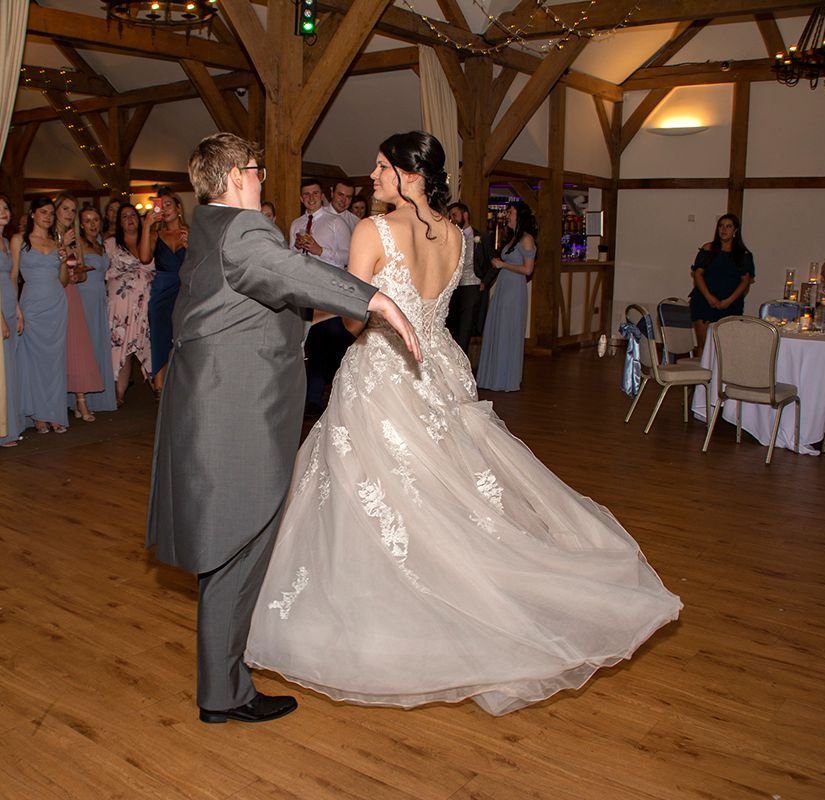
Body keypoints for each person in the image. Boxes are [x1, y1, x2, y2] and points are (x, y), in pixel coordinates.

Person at [245, 131, 682, 717]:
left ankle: (388, 607)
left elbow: (353, 323)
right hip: (439, 365)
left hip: (384, 370)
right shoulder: (455, 234)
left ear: (409, 174)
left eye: (381, 168)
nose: (372, 177)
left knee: (378, 489)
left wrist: (319, 300)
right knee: (436, 489)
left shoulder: (373, 232)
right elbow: (437, 308)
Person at [146, 132, 420, 726]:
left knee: (233, 550)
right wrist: (373, 300)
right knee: (239, 548)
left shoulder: (211, 227)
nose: (263, 179)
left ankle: (223, 687)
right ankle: (224, 692)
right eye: (257, 170)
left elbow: (256, 296)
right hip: (235, 412)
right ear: (236, 177)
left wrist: (324, 309)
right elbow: (286, 267)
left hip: (220, 403)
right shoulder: (245, 231)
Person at [291, 179, 356, 416]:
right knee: (310, 344)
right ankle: (314, 397)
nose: (310, 198)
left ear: (322, 196)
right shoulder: (296, 224)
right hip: (306, 292)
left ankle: (328, 396)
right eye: (306, 194)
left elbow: (348, 258)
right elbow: (292, 257)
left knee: (331, 341)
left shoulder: (336, 223)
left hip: (330, 292)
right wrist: (298, 250)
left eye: (315, 193)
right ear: (301, 198)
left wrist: (320, 250)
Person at [14, 197, 69, 434]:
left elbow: (64, 281)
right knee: (34, 361)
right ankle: (38, 414)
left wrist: (65, 261)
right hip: (32, 304)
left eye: (50, 213)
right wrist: (15, 308)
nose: (47, 217)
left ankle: (55, 413)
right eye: (43, 212)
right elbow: (12, 276)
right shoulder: (19, 241)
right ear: (33, 213)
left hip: (56, 303)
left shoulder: (56, 243)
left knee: (54, 362)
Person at [476, 202, 536, 391]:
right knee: (497, 328)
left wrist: (503, 265)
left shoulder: (527, 239)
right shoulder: (512, 239)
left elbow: (528, 269)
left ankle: (505, 378)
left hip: (514, 290)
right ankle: (493, 376)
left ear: (519, 216)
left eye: (511, 212)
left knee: (507, 329)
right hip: (504, 286)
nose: (507, 215)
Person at [55, 194, 103, 422]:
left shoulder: (75, 240)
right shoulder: (49, 237)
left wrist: (80, 273)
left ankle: (80, 401)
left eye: (73, 210)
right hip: (53, 295)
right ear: (56, 210)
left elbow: (79, 275)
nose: (69, 214)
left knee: (78, 347)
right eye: (65, 209)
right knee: (58, 349)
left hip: (72, 294)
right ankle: (57, 402)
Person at [689, 213, 755, 354]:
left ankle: (721, 376)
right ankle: (703, 375)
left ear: (735, 230)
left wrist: (729, 301)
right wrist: (709, 297)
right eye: (721, 226)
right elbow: (698, 274)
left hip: (730, 303)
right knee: (704, 344)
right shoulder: (708, 249)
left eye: (728, 226)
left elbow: (745, 281)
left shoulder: (743, 255)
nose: (724, 230)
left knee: (725, 346)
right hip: (705, 301)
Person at [142, 188, 187, 392]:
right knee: (159, 336)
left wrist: (192, 246)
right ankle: (159, 387)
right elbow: (144, 258)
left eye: (169, 204)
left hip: (185, 291)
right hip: (161, 290)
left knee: (183, 338)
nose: (165, 209)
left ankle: (182, 385)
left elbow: (203, 263)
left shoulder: (191, 232)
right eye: (162, 205)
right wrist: (147, 225)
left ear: (178, 208)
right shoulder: (155, 234)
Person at [105, 204, 152, 403]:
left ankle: (160, 391)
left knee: (150, 346)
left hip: (146, 304)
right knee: (121, 348)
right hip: (121, 308)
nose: (129, 219)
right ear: (119, 222)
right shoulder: (110, 243)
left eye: (133, 215)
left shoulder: (150, 239)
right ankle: (118, 394)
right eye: (124, 216)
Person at [74, 206, 116, 413]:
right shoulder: (79, 243)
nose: (92, 224)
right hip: (84, 297)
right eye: (87, 220)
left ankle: (97, 397)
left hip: (100, 297)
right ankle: (81, 399)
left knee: (98, 343)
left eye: (96, 220)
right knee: (85, 346)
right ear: (81, 224)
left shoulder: (101, 243)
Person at [0, 194, 23, 447]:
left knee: (11, 366)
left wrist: (17, 309)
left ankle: (12, 425)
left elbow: (12, 279)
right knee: (0, 368)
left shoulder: (4, 241)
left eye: (5, 208)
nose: (2, 212)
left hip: (9, 303)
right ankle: (1, 431)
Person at [444, 201, 494, 355]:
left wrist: (484, 282)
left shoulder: (481, 237)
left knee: (466, 328)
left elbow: (493, 263)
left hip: (473, 285)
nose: (452, 218)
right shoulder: (451, 236)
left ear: (465, 215)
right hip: (453, 287)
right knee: (450, 326)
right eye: (450, 216)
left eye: (455, 215)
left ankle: (462, 362)